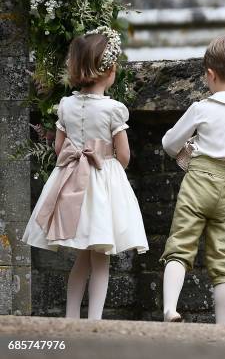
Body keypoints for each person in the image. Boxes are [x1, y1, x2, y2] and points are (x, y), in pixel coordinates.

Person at [22, 26, 149, 319]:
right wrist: (110, 165)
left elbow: (58, 148)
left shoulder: (65, 105)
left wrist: (75, 155)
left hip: (69, 181)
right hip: (101, 183)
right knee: (100, 257)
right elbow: (125, 156)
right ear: (110, 71)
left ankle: (70, 316)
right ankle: (95, 320)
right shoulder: (113, 109)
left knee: (81, 256)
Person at [159, 35, 225, 324]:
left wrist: (188, 150)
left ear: (210, 74)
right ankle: (222, 326)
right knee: (223, 258)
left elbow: (170, 144)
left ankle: (170, 308)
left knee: (180, 245)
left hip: (197, 184)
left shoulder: (201, 109)